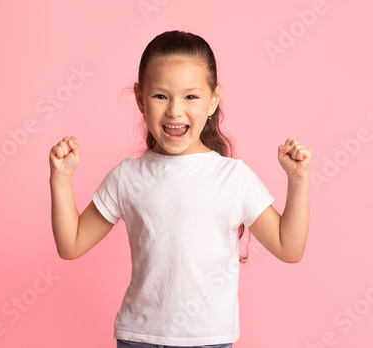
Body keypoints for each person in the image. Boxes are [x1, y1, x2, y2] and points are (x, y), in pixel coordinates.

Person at [49, 30, 312, 348]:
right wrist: (61, 179)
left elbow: (289, 247)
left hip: (208, 340)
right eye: (161, 96)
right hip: (139, 337)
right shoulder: (127, 177)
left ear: (213, 99)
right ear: (140, 99)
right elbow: (71, 244)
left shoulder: (232, 177)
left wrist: (298, 182)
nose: (174, 110)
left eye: (190, 96)